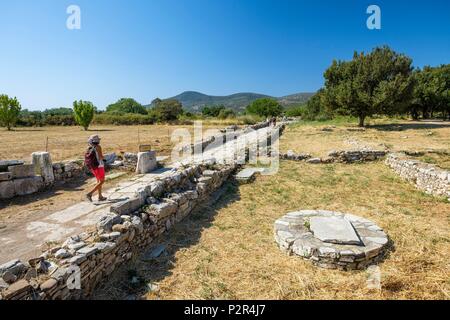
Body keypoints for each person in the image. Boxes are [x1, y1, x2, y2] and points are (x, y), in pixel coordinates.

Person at [85, 135, 107, 202]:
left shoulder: (89, 147)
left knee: (99, 181)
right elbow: (100, 157)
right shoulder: (98, 147)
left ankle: (100, 196)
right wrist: (105, 159)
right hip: (99, 166)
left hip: (93, 167)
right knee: (102, 181)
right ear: (97, 141)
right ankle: (90, 194)